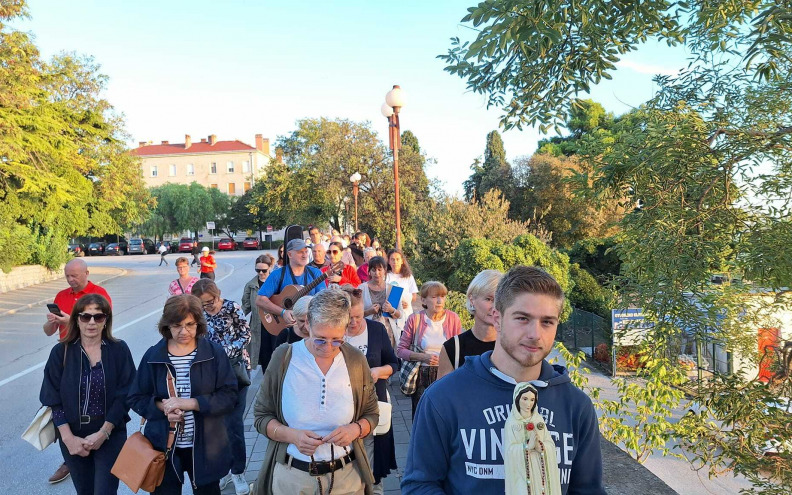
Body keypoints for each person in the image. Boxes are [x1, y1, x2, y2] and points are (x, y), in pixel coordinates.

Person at [401, 266, 606, 494]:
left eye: (547, 322)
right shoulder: (443, 399)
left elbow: (588, 489)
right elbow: (419, 485)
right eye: (522, 318)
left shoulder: (576, 407)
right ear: (497, 319)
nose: (535, 334)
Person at [252, 289, 379, 494]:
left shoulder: (355, 360)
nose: (328, 347)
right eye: (320, 339)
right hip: (293, 478)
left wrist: (355, 430)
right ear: (307, 325)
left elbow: (372, 414)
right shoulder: (284, 357)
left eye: (337, 340)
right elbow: (261, 417)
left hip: (346, 478)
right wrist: (292, 436)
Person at [128, 294, 238, 495]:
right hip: (164, 446)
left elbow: (230, 396)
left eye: (190, 324)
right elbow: (135, 397)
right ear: (167, 325)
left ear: (199, 324)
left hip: (207, 447)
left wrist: (193, 403)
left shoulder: (214, 353)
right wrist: (163, 408)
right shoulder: (153, 356)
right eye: (177, 325)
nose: (184, 331)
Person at [40, 294, 135, 494]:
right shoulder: (61, 352)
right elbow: (52, 399)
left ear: (105, 320)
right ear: (76, 319)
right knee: (85, 491)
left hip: (110, 433)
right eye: (85, 317)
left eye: (98, 317)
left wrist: (104, 432)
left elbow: (126, 393)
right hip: (72, 435)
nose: (91, 322)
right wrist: (68, 439)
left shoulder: (119, 349)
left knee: (104, 491)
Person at [42, 258, 112, 485]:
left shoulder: (99, 293)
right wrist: (53, 322)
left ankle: (98, 445)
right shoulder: (61, 296)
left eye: (75, 275)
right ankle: (70, 455)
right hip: (67, 358)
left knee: (96, 402)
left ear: (86, 273)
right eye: (67, 276)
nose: (71, 280)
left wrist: (70, 320)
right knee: (65, 404)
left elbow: (102, 324)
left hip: (93, 354)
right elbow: (47, 331)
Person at [191, 279, 252, 495]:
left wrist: (222, 353)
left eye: (211, 301)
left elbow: (246, 335)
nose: (209, 307)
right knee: (215, 426)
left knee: (234, 424)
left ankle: (238, 472)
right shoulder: (199, 316)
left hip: (236, 372)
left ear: (218, 295)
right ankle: (222, 469)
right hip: (211, 376)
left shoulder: (231, 307)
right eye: (203, 304)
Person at [343, 287, 398, 495]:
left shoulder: (376, 330)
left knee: (373, 462)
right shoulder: (334, 334)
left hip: (374, 406)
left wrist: (378, 371)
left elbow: (394, 363)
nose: (354, 322)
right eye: (348, 318)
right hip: (343, 409)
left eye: (358, 316)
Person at [396, 281, 462, 416]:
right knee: (422, 416)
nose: (439, 301)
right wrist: (423, 357)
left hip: (446, 375)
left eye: (442, 296)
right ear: (424, 300)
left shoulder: (453, 318)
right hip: (422, 375)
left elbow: (459, 350)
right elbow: (400, 350)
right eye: (434, 297)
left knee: (445, 416)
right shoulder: (415, 319)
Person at [437, 269, 503, 379]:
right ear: (472, 300)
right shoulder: (453, 348)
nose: (495, 306)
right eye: (489, 299)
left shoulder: (513, 346)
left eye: (499, 300)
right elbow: (441, 394)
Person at [256, 239, 326, 336]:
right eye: (300, 252)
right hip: (286, 330)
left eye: (306, 251)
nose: (305, 255)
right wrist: (283, 312)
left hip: (310, 328)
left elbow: (323, 301)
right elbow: (260, 300)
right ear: (289, 254)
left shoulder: (316, 273)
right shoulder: (278, 274)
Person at [504, 383, 562, 495]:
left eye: (532, 400)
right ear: (517, 399)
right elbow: (509, 451)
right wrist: (526, 447)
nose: (528, 404)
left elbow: (550, 443)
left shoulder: (538, 420)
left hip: (539, 469)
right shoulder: (512, 423)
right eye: (525, 399)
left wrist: (541, 446)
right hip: (521, 474)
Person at [360, 256, 402, 348]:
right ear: (369, 271)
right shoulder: (361, 289)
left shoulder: (393, 289)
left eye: (380, 269)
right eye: (373, 270)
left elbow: (400, 315)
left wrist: (391, 310)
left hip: (388, 334)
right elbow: (354, 315)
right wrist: (368, 311)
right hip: (368, 332)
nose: (377, 273)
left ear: (385, 270)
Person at [242, 254, 274, 371]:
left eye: (264, 270)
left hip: (276, 325)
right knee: (265, 358)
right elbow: (245, 306)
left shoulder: (276, 282)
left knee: (277, 357)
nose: (260, 273)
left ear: (270, 267)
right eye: (258, 270)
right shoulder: (251, 285)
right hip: (259, 327)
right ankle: (267, 385)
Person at [385, 248, 419, 342]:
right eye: (392, 259)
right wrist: (397, 304)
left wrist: (406, 301)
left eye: (397, 259)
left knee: (406, 340)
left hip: (406, 314)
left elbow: (414, 296)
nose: (395, 262)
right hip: (391, 315)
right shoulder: (386, 276)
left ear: (402, 261)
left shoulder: (408, 277)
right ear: (388, 261)